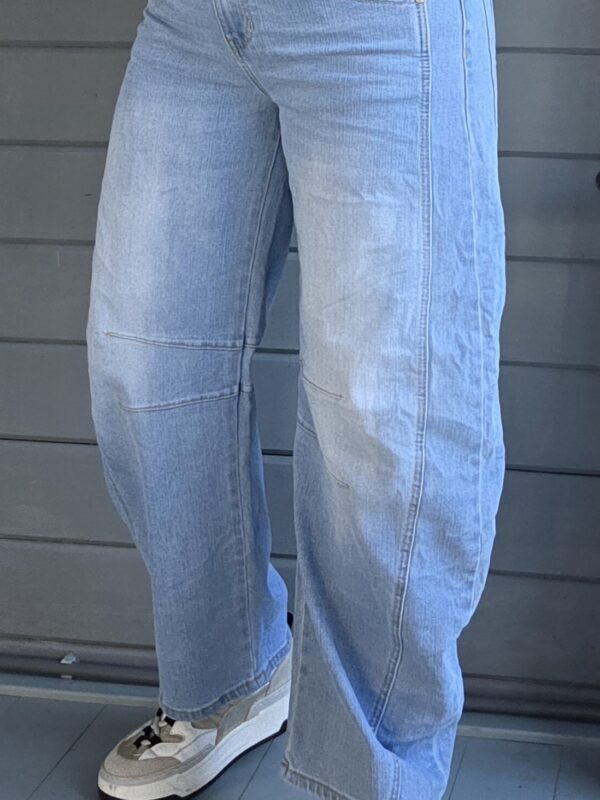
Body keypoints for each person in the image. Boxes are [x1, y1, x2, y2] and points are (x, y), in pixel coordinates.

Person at [86, 0, 506, 798]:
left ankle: (376, 775)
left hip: (377, 25)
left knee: (382, 410)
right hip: (193, 23)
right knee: (144, 369)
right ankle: (232, 682)